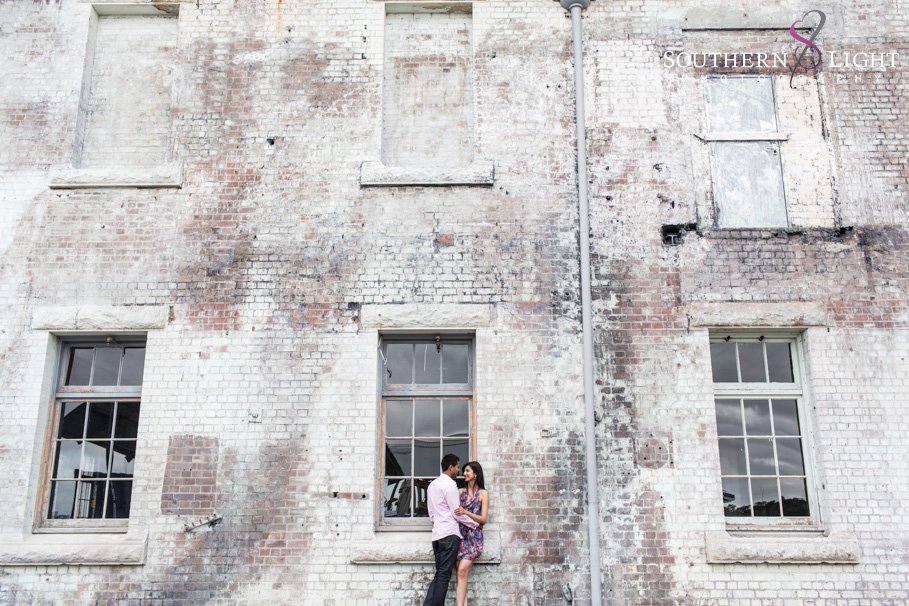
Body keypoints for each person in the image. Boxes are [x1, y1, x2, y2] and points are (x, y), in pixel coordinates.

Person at [423, 454, 478, 606]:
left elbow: (431, 513)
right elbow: (456, 512)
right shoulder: (450, 484)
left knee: (440, 573)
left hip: (437, 535)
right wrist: (474, 524)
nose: (459, 471)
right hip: (449, 534)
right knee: (444, 576)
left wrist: (437, 523)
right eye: (458, 467)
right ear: (451, 467)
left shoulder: (432, 485)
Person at [453, 461, 489, 606]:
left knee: (462, 570)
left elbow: (483, 519)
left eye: (467, 471)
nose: (464, 474)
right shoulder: (460, 492)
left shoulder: (483, 494)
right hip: (459, 535)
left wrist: (466, 512)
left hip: (474, 538)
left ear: (475, 473)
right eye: (464, 471)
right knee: (460, 574)